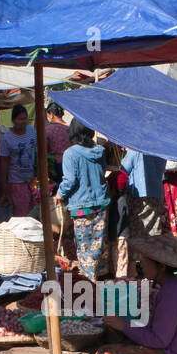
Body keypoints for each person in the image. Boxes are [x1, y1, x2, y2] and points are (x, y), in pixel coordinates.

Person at [57, 119, 110, 279]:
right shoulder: (100, 151)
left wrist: (59, 193)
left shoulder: (70, 153)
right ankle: (100, 282)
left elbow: (70, 181)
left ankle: (89, 283)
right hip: (101, 204)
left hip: (81, 207)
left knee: (85, 248)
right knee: (98, 246)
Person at [0, 104, 37, 219]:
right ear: (13, 120)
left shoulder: (31, 130)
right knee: (22, 214)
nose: (23, 122)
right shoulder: (7, 139)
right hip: (17, 182)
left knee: (35, 211)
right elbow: (4, 162)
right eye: (20, 119)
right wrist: (5, 184)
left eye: (25, 118)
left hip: (32, 179)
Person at [45, 103, 71, 173]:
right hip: (70, 163)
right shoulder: (70, 129)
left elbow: (44, 150)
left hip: (55, 165)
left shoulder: (47, 130)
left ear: (51, 114)